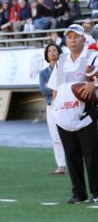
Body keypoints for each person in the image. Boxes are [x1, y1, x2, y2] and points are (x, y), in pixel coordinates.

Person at [47, 24, 98, 203]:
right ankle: (79, 193)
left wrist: (94, 84)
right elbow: (55, 88)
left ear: (84, 39)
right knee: (71, 156)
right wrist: (55, 109)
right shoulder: (61, 60)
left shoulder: (93, 56)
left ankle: (96, 192)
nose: (72, 40)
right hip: (64, 116)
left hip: (85, 114)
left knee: (92, 155)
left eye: (76, 37)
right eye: (69, 37)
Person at [39, 42, 66, 176]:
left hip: (66, 105)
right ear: (47, 55)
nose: (52, 53)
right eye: (50, 51)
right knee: (55, 137)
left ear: (59, 52)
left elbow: (67, 86)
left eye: (55, 50)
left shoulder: (65, 68)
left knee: (71, 134)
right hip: (51, 105)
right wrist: (57, 88)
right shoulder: (43, 73)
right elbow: (43, 89)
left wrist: (54, 88)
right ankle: (61, 165)